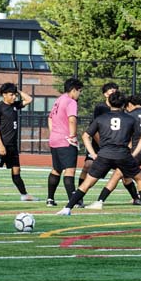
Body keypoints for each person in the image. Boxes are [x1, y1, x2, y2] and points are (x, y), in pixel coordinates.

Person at [56, 90, 141, 217]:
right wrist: (134, 154)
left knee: (87, 183)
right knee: (140, 179)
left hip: (104, 155)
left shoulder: (101, 118)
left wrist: (93, 153)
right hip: (123, 155)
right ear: (124, 104)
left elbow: (85, 136)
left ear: (108, 102)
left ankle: (67, 208)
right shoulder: (130, 119)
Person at [79, 81, 141, 205]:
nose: (113, 92)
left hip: (116, 147)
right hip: (101, 147)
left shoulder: (121, 109)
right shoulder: (101, 108)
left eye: (115, 90)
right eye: (111, 90)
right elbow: (93, 129)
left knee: (124, 173)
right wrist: (101, 145)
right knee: (88, 166)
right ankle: (79, 197)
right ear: (105, 94)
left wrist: (128, 144)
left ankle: (135, 197)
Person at [0, 83, 36, 202]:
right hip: (2, 145)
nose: (14, 97)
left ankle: (24, 195)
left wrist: (17, 90)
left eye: (14, 95)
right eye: (11, 95)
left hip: (13, 146)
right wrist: (0, 145)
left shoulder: (15, 105)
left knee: (16, 171)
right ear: (4, 95)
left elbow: (29, 99)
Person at [46, 78, 83, 206]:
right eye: (79, 91)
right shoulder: (71, 101)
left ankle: (50, 199)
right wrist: (72, 136)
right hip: (66, 141)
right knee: (70, 170)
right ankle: (74, 202)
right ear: (73, 90)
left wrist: (54, 133)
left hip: (55, 140)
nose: (80, 94)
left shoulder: (59, 99)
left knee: (56, 169)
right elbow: (72, 119)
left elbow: (50, 118)